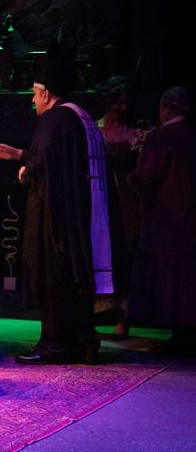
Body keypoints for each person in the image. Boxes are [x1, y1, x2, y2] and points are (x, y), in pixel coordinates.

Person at [0, 43, 124, 365]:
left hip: (57, 221)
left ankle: (55, 346)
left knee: (56, 280)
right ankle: (84, 343)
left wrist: (22, 166)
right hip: (83, 217)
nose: (32, 101)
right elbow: (63, 164)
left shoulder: (53, 120)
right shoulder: (82, 117)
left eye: (34, 94)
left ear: (46, 93)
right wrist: (24, 157)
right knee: (76, 281)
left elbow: (43, 165)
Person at [128, 87, 196, 354]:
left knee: (172, 276)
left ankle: (180, 335)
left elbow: (147, 176)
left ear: (167, 108)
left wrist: (131, 179)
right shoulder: (191, 133)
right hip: (189, 215)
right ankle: (187, 333)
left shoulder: (164, 135)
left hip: (169, 217)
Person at [93, 75, 147, 339]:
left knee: (127, 254)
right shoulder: (95, 128)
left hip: (126, 199)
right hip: (100, 197)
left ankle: (125, 318)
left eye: (127, 102)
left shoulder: (135, 132)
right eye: (119, 102)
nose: (124, 107)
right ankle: (95, 313)